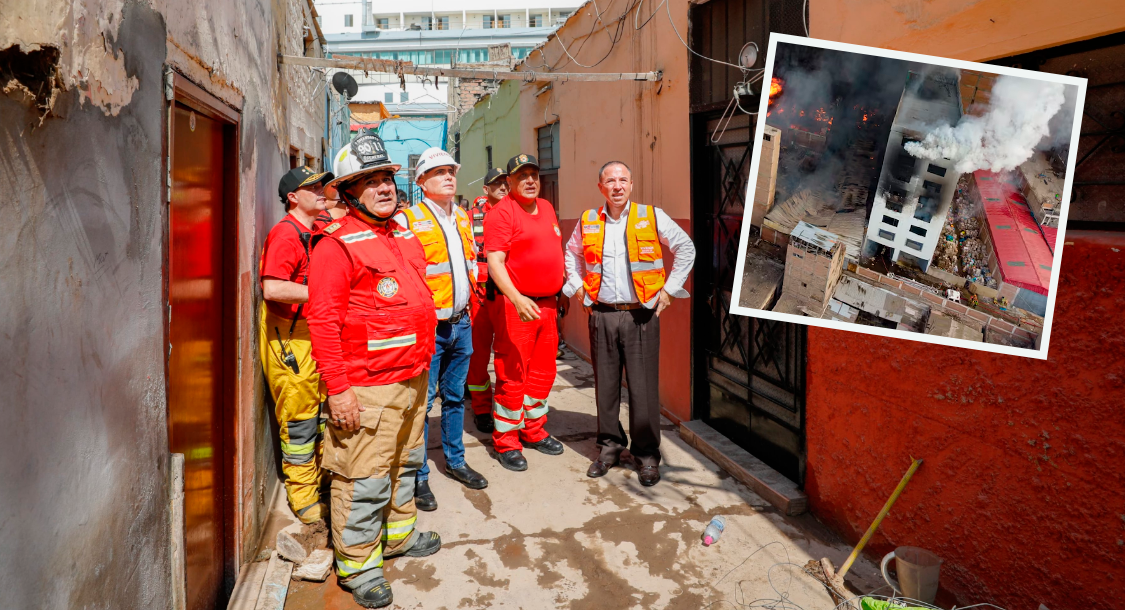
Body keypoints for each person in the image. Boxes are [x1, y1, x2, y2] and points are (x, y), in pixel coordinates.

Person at [307, 133, 441, 608]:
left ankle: (399, 535)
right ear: (347, 192)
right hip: (368, 388)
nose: (384, 187)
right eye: (370, 181)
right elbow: (321, 323)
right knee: (362, 478)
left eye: (386, 177)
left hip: (411, 378)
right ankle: (359, 564)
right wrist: (339, 392)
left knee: (404, 465)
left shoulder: (399, 234)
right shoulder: (335, 246)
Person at [563, 160, 695, 487]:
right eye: (610, 181)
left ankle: (646, 454)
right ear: (601, 188)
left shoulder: (651, 216)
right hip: (603, 314)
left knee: (643, 389)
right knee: (606, 386)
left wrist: (668, 292)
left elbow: (685, 248)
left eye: (623, 180)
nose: (617, 186)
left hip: (642, 315)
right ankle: (609, 447)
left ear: (632, 185)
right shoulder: (589, 220)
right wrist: (579, 289)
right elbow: (571, 254)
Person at [395, 147, 488, 513]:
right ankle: (417, 477)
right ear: (421, 182)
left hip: (461, 323)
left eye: (451, 170)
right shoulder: (407, 221)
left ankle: (456, 460)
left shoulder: (462, 218)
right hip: (428, 328)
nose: (448, 176)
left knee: (453, 399)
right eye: (438, 172)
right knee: (421, 404)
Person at [484, 154, 568, 471]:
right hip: (517, 306)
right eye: (522, 176)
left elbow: (549, 252)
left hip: (548, 304)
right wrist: (517, 298)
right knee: (512, 374)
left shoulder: (546, 208)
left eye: (534, 174)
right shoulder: (502, 213)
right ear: (510, 182)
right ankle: (506, 442)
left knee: (543, 373)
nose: (530, 180)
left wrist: (559, 291)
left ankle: (534, 431)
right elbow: (495, 263)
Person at [259, 166, 333, 524]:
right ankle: (302, 496)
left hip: (311, 331)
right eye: (313, 187)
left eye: (322, 185)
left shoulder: (316, 229)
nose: (322, 190)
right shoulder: (286, 235)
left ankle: (317, 481)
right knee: (300, 422)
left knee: (317, 416)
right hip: (290, 337)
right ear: (293, 197)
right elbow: (272, 288)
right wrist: (328, 295)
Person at [465, 167, 509, 433]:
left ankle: (506, 408)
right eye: (497, 184)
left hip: (507, 296)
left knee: (508, 357)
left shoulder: (518, 215)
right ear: (486, 190)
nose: (503, 187)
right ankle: (481, 408)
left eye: (506, 183)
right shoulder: (469, 219)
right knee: (478, 358)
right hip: (479, 296)